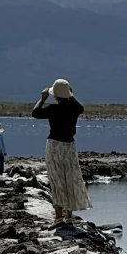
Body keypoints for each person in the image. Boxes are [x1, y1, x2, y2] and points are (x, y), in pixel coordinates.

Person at [32, 78, 91, 224]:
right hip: (69, 146)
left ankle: (59, 216)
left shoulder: (53, 109)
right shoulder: (74, 109)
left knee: (56, 179)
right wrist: (69, 93)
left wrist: (42, 98)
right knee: (70, 177)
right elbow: (80, 107)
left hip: (54, 145)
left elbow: (35, 112)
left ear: (55, 95)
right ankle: (69, 215)